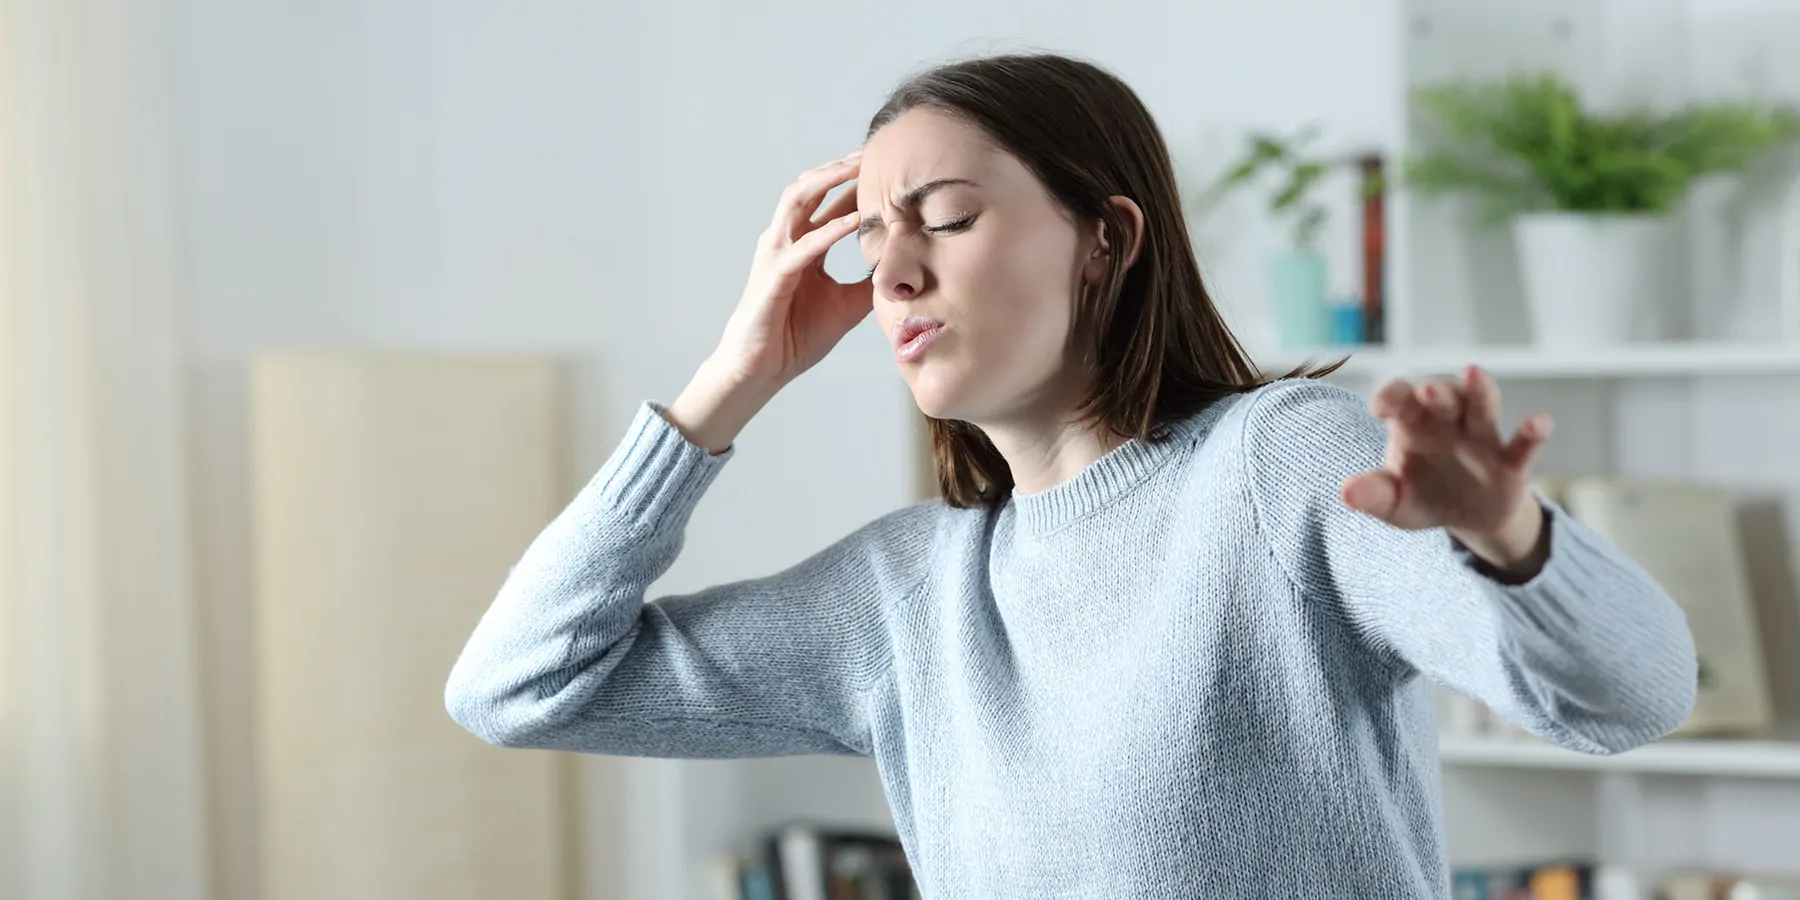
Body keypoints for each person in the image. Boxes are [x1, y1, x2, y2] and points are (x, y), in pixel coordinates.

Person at [445, 53, 1696, 898]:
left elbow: (1629, 697)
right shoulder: (906, 595)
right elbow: (517, 687)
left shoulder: (1275, 465)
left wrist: (1509, 536)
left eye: (943, 216)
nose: (891, 273)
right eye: (870, 239)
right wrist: (731, 380)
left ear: (1107, 236)